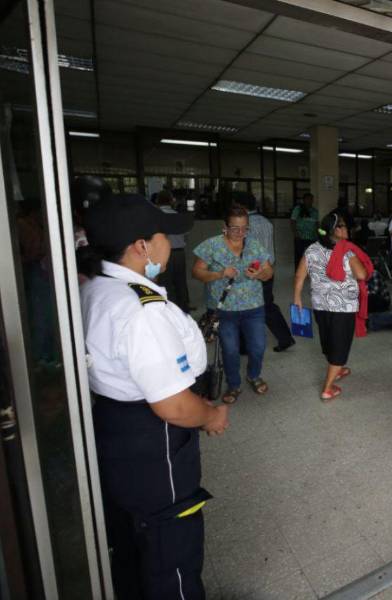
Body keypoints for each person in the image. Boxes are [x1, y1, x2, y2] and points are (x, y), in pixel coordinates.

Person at [79, 193, 229, 599]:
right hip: (153, 437)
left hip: (117, 425)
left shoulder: (98, 287)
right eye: (164, 234)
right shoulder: (140, 309)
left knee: (133, 538)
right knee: (170, 546)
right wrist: (211, 415)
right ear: (141, 246)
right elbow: (173, 405)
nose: (169, 244)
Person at [192, 205, 272, 404]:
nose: (240, 233)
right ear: (224, 226)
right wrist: (220, 274)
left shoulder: (254, 245)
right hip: (224, 310)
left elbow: (269, 271)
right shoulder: (211, 245)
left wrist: (260, 274)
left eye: (245, 228)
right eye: (235, 228)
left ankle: (253, 375)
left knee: (258, 347)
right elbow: (196, 272)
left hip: (254, 307)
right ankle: (234, 384)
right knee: (230, 349)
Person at [293, 211, 371, 401]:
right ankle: (328, 388)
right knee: (340, 345)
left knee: (329, 340)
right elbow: (361, 275)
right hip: (343, 308)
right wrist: (356, 258)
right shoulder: (347, 251)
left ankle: (339, 369)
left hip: (320, 305)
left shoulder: (312, 249)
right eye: (343, 225)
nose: (347, 229)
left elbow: (300, 275)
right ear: (334, 230)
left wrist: (297, 297)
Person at [242, 194, 296, 352]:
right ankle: (284, 338)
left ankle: (247, 345)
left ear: (242, 207)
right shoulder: (266, 221)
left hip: (255, 271)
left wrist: (249, 272)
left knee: (254, 307)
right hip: (268, 269)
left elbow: (252, 252)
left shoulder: (247, 225)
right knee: (266, 305)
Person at [155, 189, 192, 313]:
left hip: (162, 254)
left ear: (157, 201)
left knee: (166, 282)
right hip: (179, 253)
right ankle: (184, 309)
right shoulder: (178, 216)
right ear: (171, 201)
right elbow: (186, 234)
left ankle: (170, 311)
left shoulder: (156, 216)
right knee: (180, 282)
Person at [290, 192, 319, 267]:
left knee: (312, 256)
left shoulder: (315, 211)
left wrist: (320, 233)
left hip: (312, 237)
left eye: (311, 199)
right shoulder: (298, 209)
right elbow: (292, 221)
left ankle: (310, 271)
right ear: (303, 200)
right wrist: (295, 233)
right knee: (299, 256)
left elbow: (317, 224)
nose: (310, 201)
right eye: (308, 199)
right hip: (300, 237)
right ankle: (298, 271)